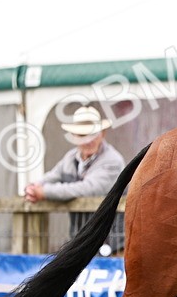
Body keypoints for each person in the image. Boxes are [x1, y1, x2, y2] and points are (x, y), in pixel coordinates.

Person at [24, 104, 126, 251]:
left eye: (92, 135)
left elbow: (86, 189)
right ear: (74, 137)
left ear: (102, 134)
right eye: (82, 135)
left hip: (112, 244)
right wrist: (33, 187)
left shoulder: (113, 161)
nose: (87, 141)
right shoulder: (70, 158)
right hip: (81, 242)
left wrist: (43, 192)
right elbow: (53, 175)